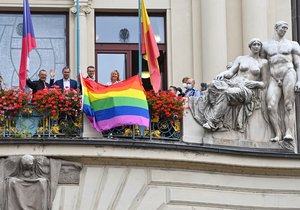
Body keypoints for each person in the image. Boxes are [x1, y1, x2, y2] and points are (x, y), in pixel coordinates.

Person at [189, 38, 268, 131]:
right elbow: (230, 72)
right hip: (233, 83)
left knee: (225, 93)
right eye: (254, 44)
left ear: (261, 47)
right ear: (250, 46)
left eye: (258, 44)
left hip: (247, 89)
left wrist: (255, 83)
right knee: (213, 85)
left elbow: (265, 83)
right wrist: (222, 74)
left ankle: (212, 121)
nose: (256, 46)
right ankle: (217, 115)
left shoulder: (263, 62)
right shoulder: (241, 58)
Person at [262, 21, 300, 146]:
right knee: (270, 106)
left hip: (288, 73)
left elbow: (298, 64)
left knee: (289, 105)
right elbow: (262, 63)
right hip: (273, 76)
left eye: (286, 28)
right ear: (276, 28)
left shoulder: (292, 44)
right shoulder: (266, 45)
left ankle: (288, 132)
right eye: (283, 28)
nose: (284, 30)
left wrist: (299, 80)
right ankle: (278, 133)